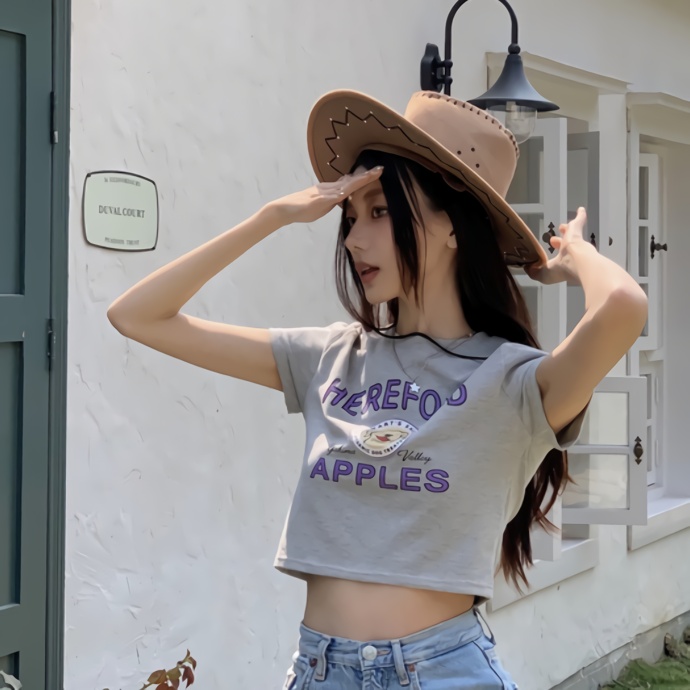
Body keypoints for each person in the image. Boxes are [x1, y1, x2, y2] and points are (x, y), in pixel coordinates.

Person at [108, 89, 648, 689]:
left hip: (444, 673)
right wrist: (274, 217)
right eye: (349, 216)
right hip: (321, 671)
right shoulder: (328, 358)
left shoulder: (514, 381)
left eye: (380, 212)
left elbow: (623, 305)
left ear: (452, 223)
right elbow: (138, 316)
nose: (353, 239)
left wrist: (575, 255)